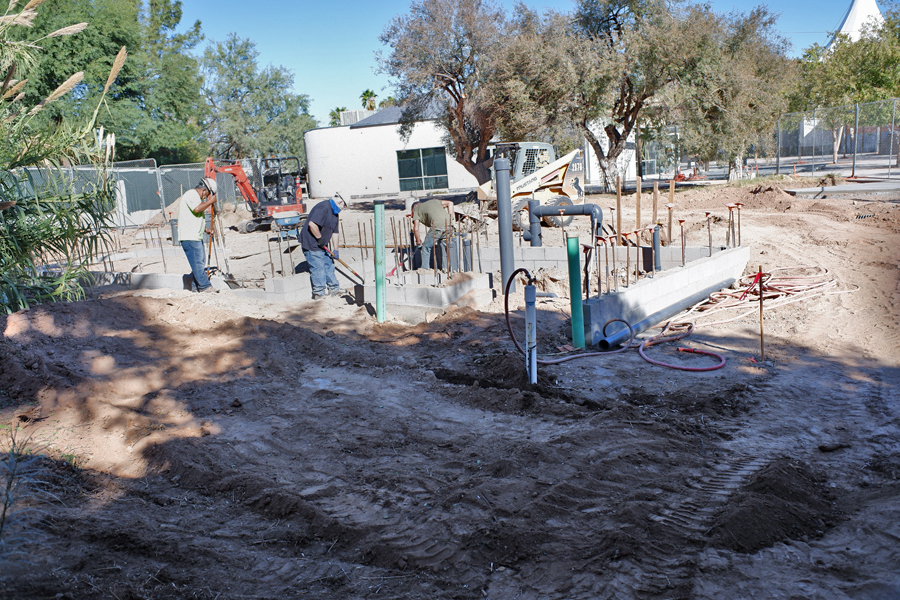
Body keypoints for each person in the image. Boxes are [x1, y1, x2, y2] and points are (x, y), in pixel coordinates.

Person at [299, 192, 346, 300]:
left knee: (329, 264)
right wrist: (319, 238)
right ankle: (319, 293)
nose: (342, 209)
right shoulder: (323, 208)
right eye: (343, 206)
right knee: (318, 266)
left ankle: (334, 288)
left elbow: (335, 232)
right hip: (311, 242)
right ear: (340, 202)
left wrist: (336, 249)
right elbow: (312, 224)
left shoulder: (335, 212)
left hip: (321, 244)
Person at [177, 177, 219, 293]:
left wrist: (206, 230)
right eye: (207, 194)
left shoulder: (195, 197)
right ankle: (205, 286)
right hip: (190, 237)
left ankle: (196, 288)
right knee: (198, 263)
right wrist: (210, 202)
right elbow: (197, 209)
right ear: (204, 190)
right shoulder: (192, 194)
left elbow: (193, 218)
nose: (206, 197)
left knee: (198, 262)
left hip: (194, 235)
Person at [409, 198, 454, 269]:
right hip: (450, 226)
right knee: (445, 245)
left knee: (426, 247)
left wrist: (418, 242)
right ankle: (449, 268)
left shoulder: (417, 209)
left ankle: (425, 270)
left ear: (413, 209)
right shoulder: (435, 201)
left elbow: (416, 229)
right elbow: (450, 203)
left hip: (437, 227)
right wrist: (451, 218)